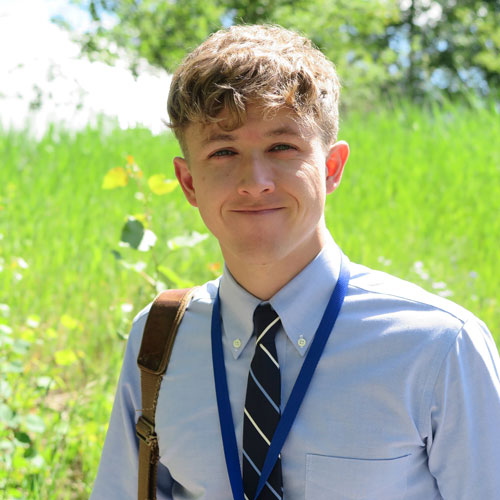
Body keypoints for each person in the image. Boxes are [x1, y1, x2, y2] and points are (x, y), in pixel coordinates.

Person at [91, 24, 500, 500]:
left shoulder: (440, 347)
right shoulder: (159, 341)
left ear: (331, 168)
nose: (254, 181)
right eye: (223, 151)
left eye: (282, 147)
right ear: (188, 183)